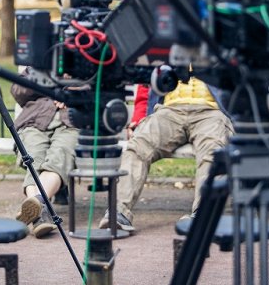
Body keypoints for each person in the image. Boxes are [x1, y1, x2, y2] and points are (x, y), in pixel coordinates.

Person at [99, 77, 234, 233]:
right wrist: (138, 119)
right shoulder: (166, 52)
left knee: (213, 153)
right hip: (169, 111)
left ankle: (203, 215)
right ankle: (119, 212)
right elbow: (147, 82)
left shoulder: (220, 53)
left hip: (211, 112)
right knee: (137, 146)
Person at [11, 69, 79, 238]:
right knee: (32, 158)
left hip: (72, 123)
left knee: (61, 155)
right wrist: (46, 78)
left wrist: (72, 91)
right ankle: (41, 213)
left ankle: (38, 206)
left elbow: (103, 90)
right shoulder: (38, 64)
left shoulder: (87, 62)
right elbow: (17, 92)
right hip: (35, 122)